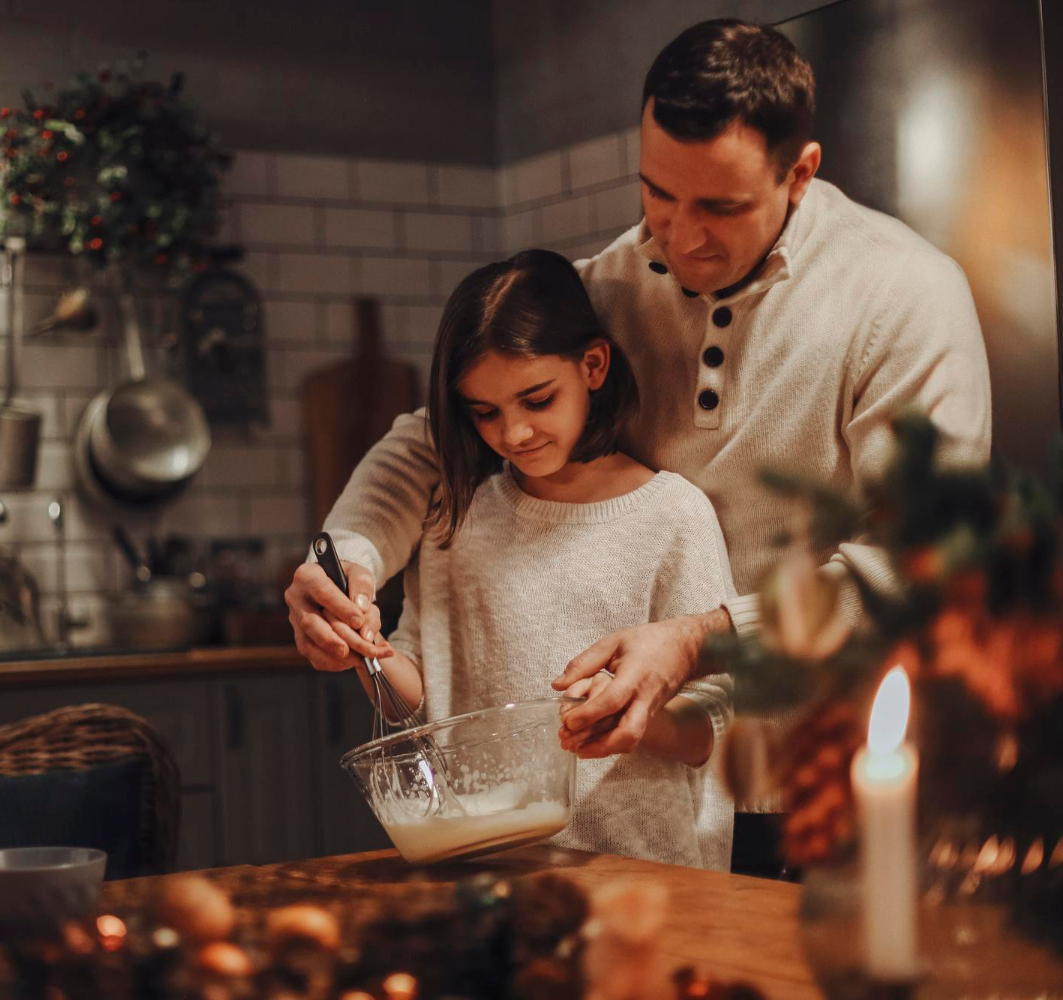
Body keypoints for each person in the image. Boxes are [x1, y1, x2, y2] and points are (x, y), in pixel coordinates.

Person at [286, 18, 992, 874]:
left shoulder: (902, 297)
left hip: (845, 781)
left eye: (720, 206)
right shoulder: (608, 291)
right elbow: (429, 443)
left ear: (800, 173)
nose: (678, 234)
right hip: (672, 803)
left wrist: (702, 637)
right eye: (657, 192)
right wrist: (349, 559)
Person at [336, 249, 735, 868]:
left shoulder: (671, 518)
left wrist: (630, 710)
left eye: (538, 399)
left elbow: (715, 728)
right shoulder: (455, 517)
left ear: (593, 366)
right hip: (492, 869)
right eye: (486, 412)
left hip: (643, 873)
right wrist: (370, 650)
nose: (514, 433)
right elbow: (413, 704)